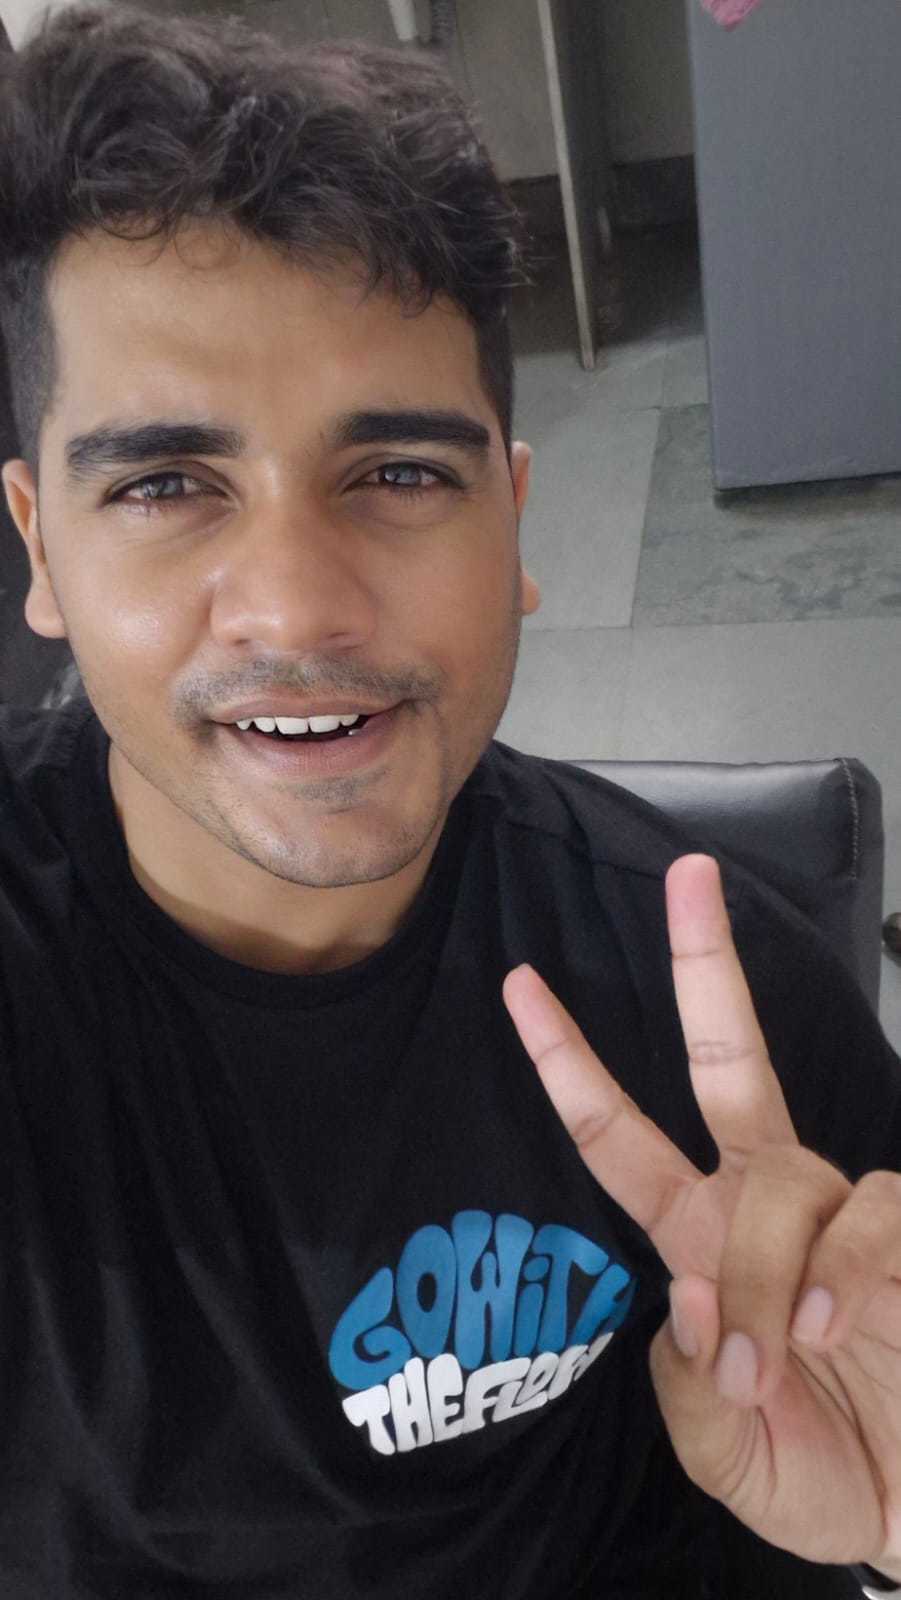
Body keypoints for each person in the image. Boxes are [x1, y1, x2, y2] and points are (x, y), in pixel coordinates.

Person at [0, 5, 899, 1597]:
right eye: (164, 485)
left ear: (512, 517)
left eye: (401, 473)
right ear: (41, 550)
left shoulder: (730, 1026)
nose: (295, 604)